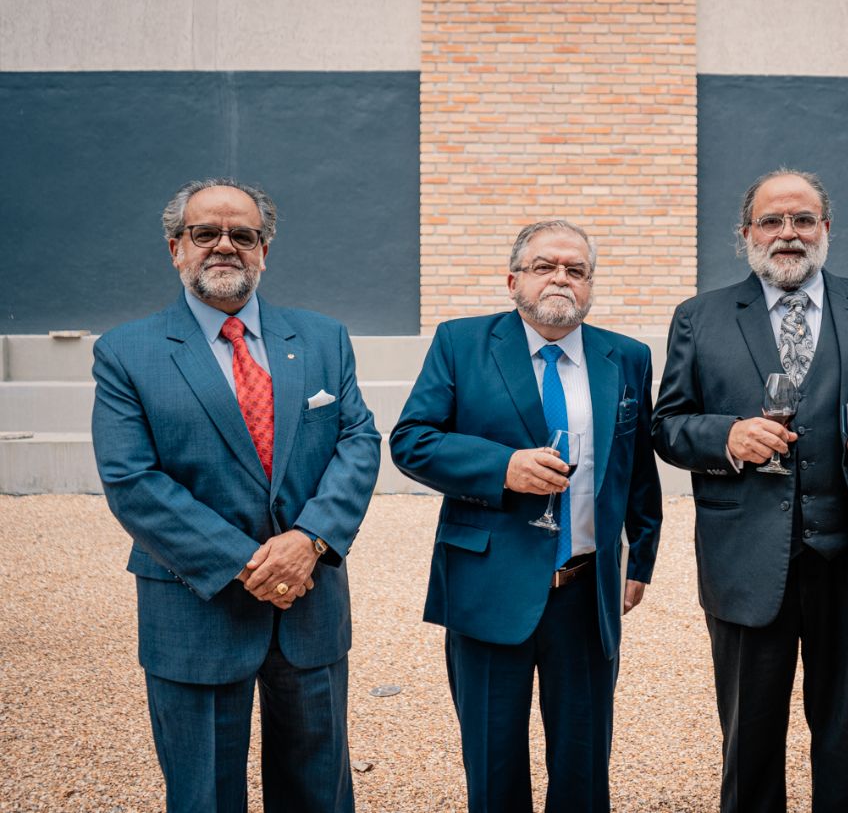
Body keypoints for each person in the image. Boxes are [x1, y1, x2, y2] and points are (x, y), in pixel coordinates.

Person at [91, 179, 382, 811]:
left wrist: (309, 541)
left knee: (319, 792)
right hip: (197, 607)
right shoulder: (126, 352)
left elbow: (358, 441)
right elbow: (131, 480)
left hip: (309, 603)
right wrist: (250, 563)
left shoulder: (324, 338)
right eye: (205, 233)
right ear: (176, 247)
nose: (225, 246)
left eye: (243, 235)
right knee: (205, 796)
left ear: (263, 252)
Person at [652, 169, 848, 812]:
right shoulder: (700, 317)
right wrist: (726, 436)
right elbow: (668, 425)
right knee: (749, 743)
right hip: (746, 558)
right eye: (772, 220)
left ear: (825, 228)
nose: (788, 233)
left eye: (803, 219)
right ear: (747, 233)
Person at [390, 219, 661, 812]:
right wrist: (501, 466)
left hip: (586, 591)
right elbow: (411, 441)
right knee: (494, 767)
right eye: (545, 267)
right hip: (490, 585)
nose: (561, 278)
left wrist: (640, 558)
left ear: (590, 285)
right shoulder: (461, 343)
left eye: (576, 270)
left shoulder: (627, 357)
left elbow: (638, 467)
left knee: (584, 769)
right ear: (514, 281)